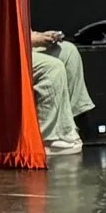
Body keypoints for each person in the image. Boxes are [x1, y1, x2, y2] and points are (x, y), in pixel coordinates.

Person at [29, 28, 94, 156]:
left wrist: (40, 35)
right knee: (52, 67)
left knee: (69, 51)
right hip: (5, 53)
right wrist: (32, 40)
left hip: (23, 45)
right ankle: (48, 137)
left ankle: (67, 127)